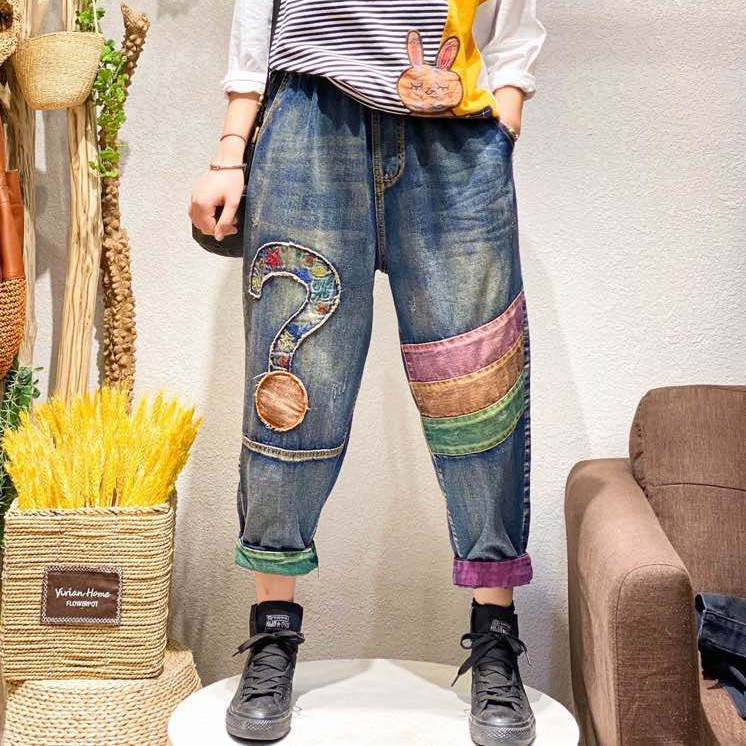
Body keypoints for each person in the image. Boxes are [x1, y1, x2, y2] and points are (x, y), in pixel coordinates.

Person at [189, 1, 545, 744]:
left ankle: (494, 639)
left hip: (454, 135)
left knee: (477, 387)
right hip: (310, 123)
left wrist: (505, 111)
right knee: (292, 387)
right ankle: (273, 632)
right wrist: (231, 148)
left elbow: (515, 15)